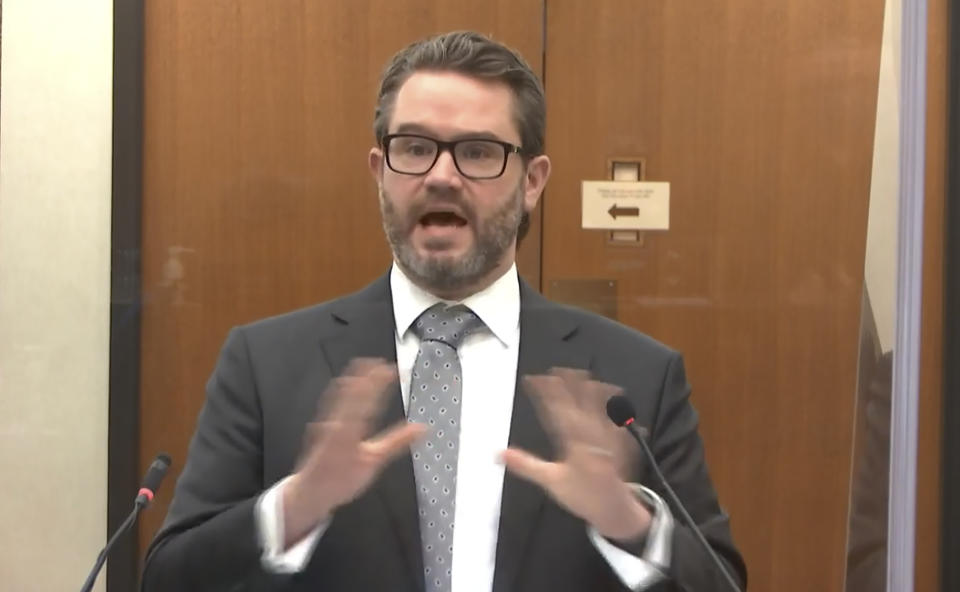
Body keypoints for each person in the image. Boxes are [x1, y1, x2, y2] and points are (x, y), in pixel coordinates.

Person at [141, 30, 746, 592]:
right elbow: (167, 578)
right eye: (415, 148)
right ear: (380, 172)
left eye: (479, 152)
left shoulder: (636, 376)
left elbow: (722, 580)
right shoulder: (265, 362)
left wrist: (632, 525)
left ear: (532, 181)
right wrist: (293, 507)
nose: (441, 176)